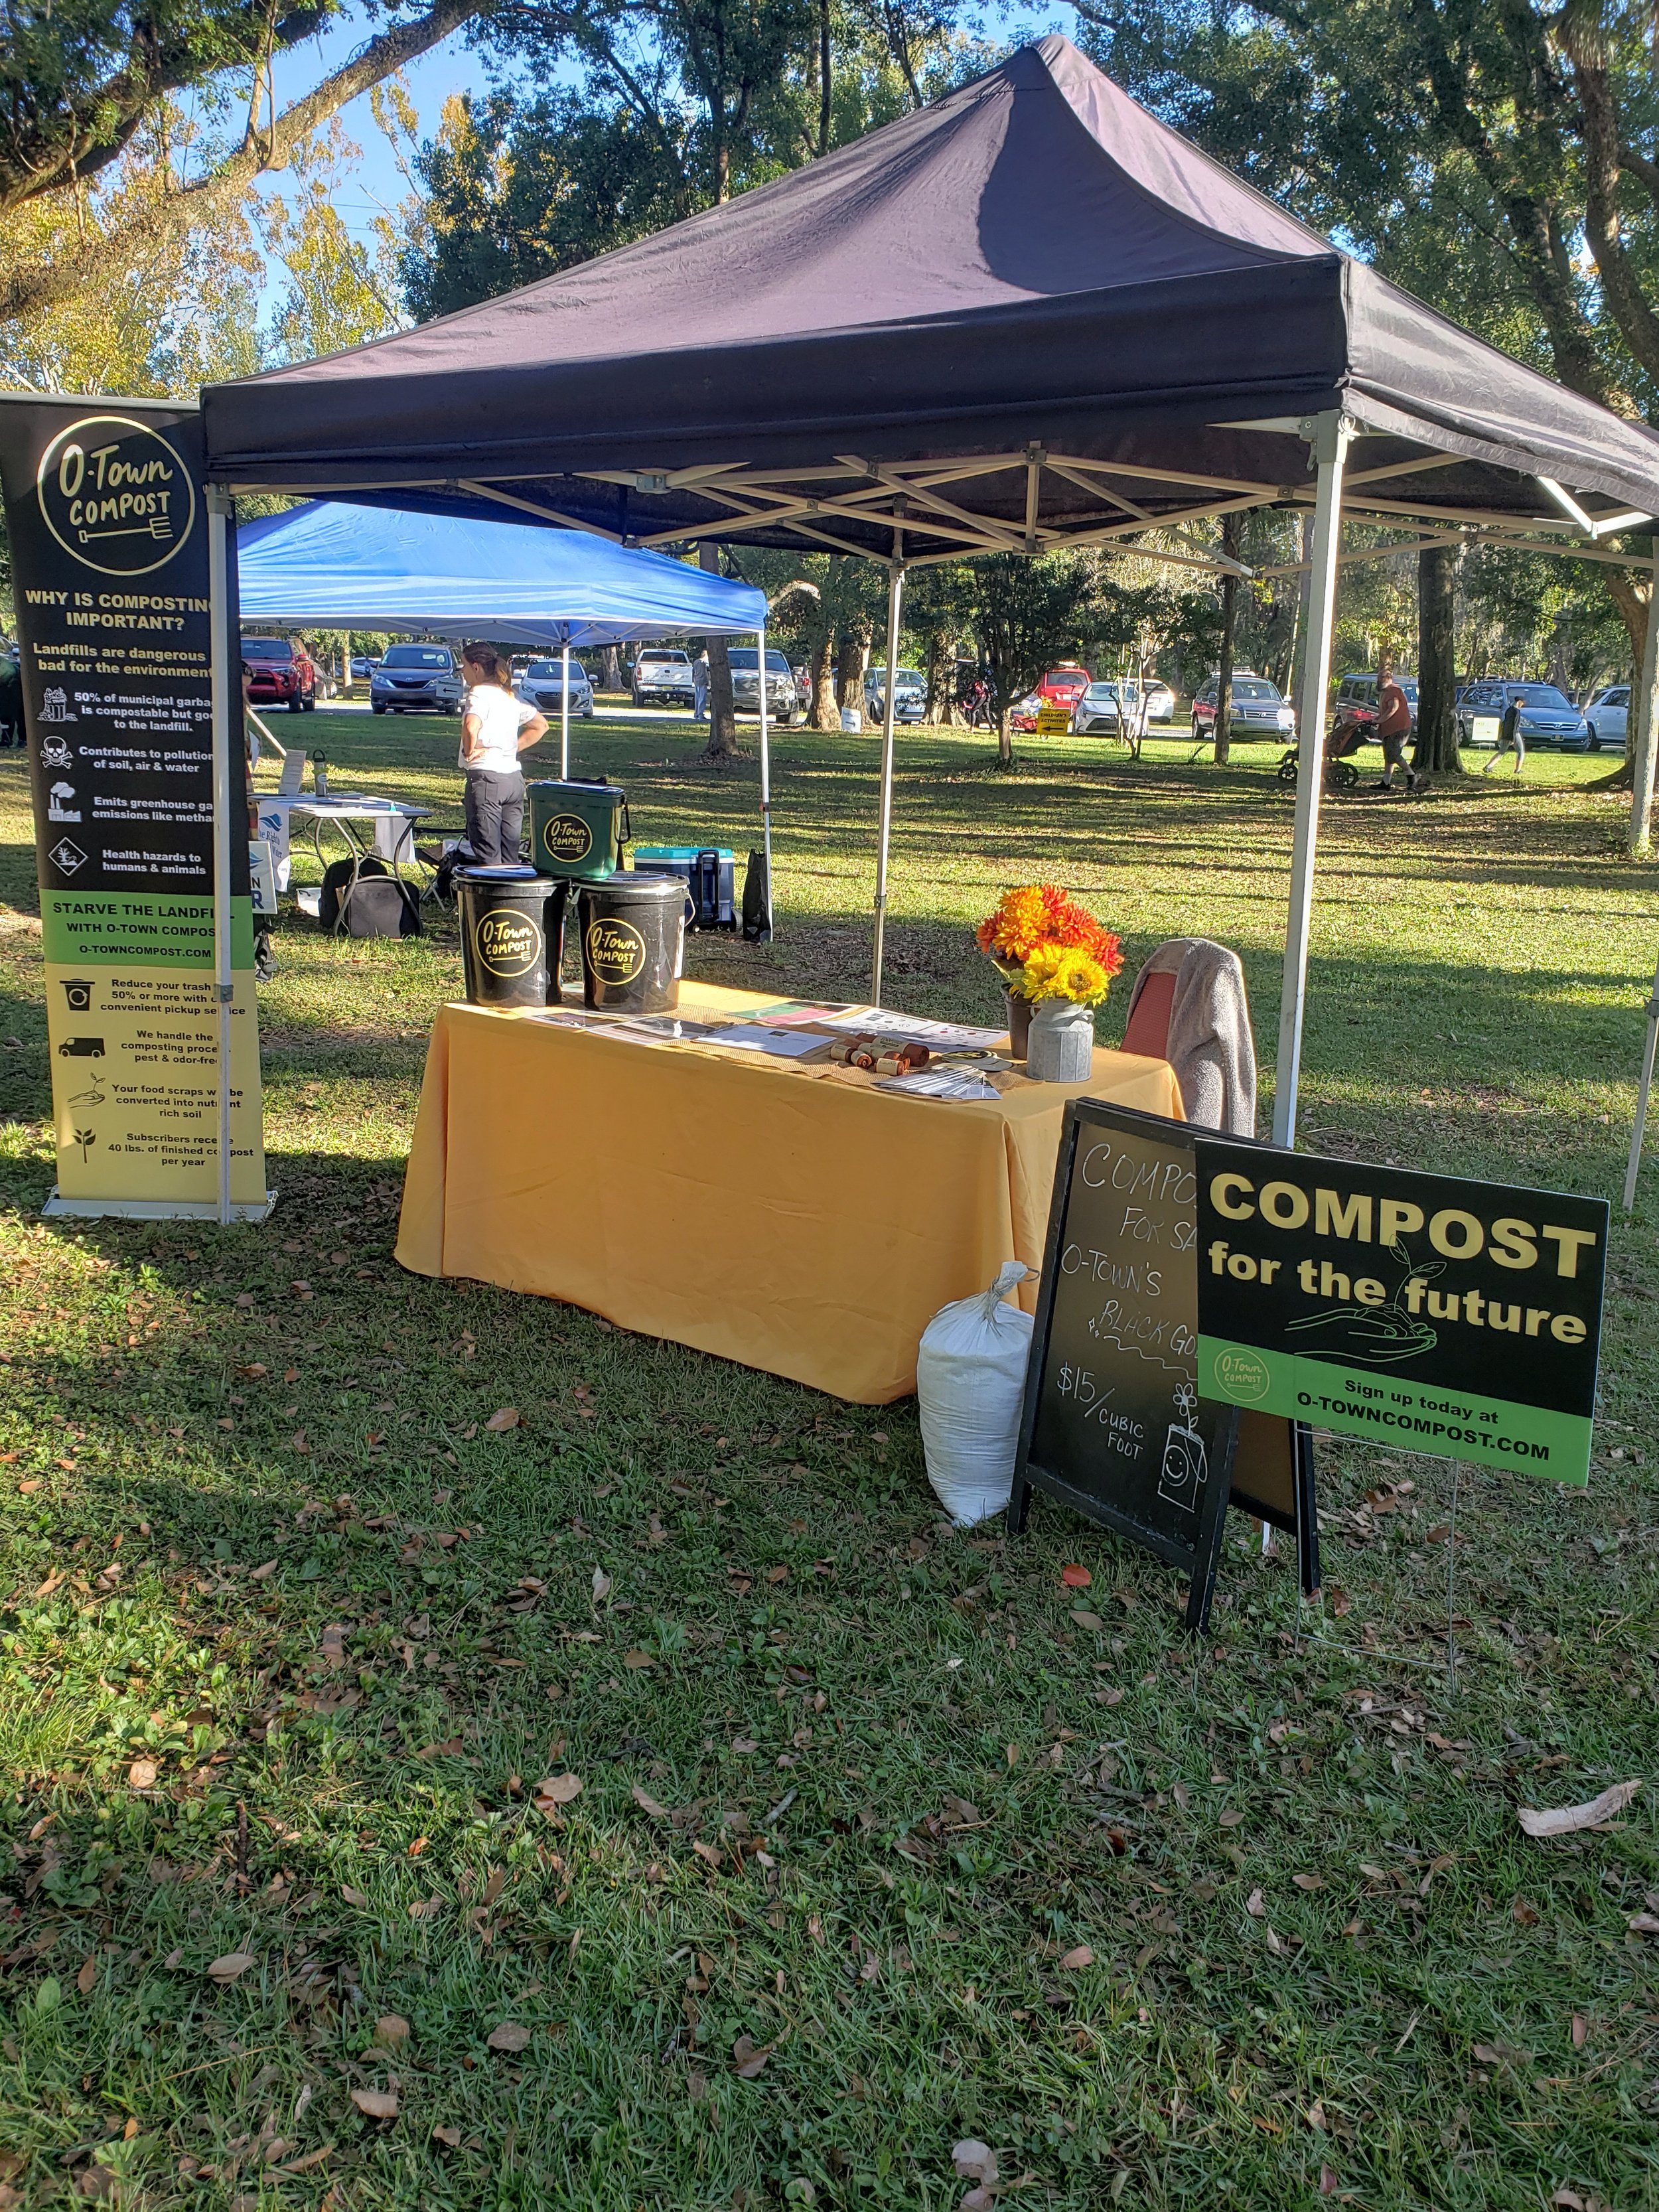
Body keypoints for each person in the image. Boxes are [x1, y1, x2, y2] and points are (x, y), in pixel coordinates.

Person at [459, 643, 546, 865]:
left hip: (487, 779)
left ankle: (494, 901)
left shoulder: (478, 693)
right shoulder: (509, 695)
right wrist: (510, 747)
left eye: (465, 666)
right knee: (510, 855)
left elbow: (471, 726)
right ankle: (513, 900)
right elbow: (541, 725)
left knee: (489, 856)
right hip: (513, 780)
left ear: (476, 668)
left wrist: (469, 751)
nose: (463, 672)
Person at [1374, 658, 1416, 792]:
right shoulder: (1385, 692)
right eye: (1379, 677)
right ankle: (1386, 782)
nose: (1380, 680)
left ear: (1389, 677)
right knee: (1388, 755)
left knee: (1394, 754)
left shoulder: (1393, 691)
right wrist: (1377, 719)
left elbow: (1393, 709)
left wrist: (1379, 721)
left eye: (1382, 677)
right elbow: (1384, 711)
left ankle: (1412, 776)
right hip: (1389, 729)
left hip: (1399, 728)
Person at [1483, 689, 1526, 776]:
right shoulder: (1516, 711)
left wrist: (1502, 734)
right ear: (1519, 702)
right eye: (1522, 703)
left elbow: (1505, 723)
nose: (1523, 705)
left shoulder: (1509, 710)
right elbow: (1515, 725)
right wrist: (1513, 738)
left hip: (1506, 733)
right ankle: (1518, 770)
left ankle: (1489, 766)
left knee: (1501, 752)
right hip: (1514, 734)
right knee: (1521, 751)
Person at [692, 650, 710, 721]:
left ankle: (696, 713)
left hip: (697, 681)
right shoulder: (705, 662)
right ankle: (700, 714)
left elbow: (693, 672)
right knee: (702, 698)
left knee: (697, 698)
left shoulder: (696, 662)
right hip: (703, 681)